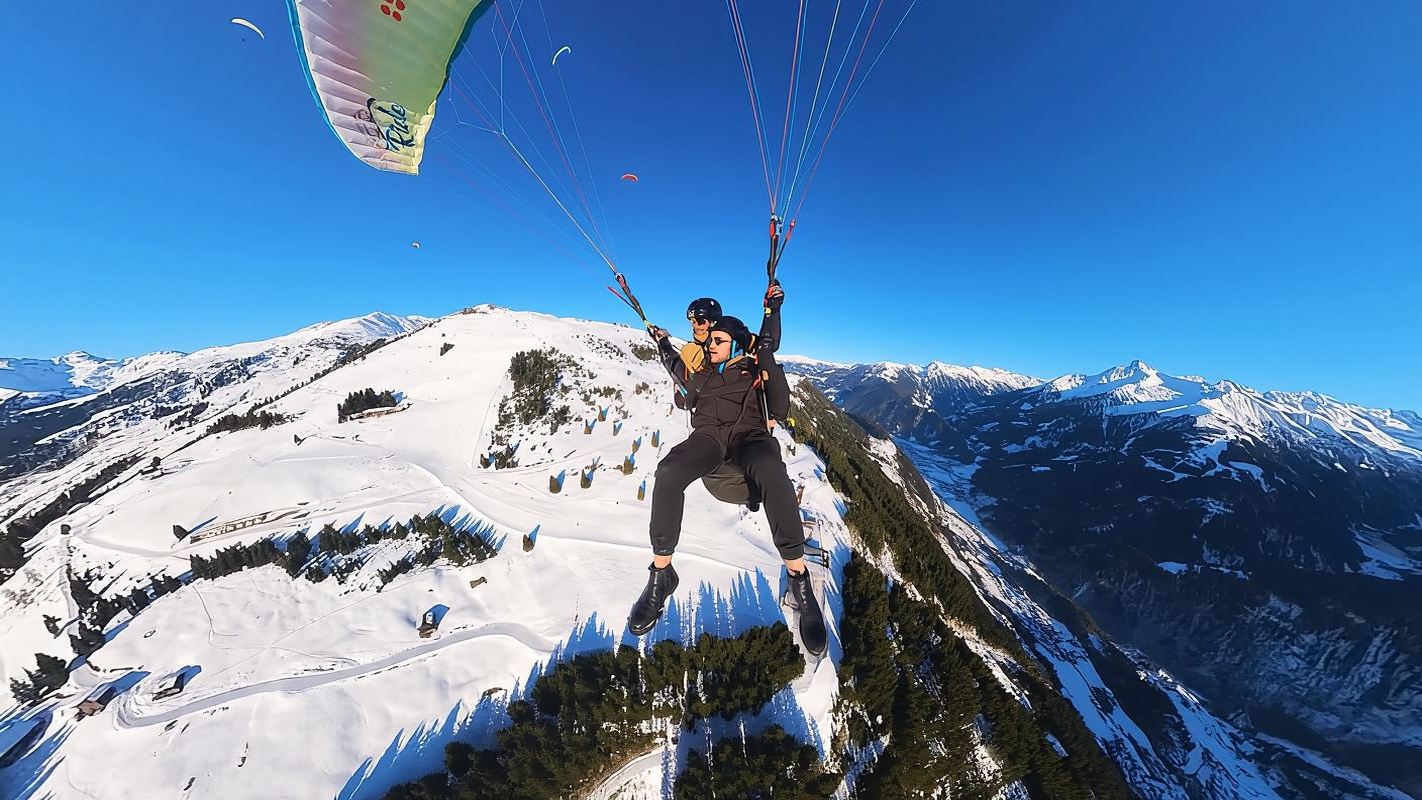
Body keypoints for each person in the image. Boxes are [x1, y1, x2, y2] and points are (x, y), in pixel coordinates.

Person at [629, 284, 825, 657]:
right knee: (669, 471)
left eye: (718, 338)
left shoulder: (753, 367)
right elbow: (675, 367)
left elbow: (769, 354)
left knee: (770, 468)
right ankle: (661, 574)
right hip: (710, 438)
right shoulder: (700, 373)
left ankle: (799, 579)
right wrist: (663, 344)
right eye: (709, 338)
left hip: (750, 435)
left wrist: (772, 313)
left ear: (735, 343)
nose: (710, 343)